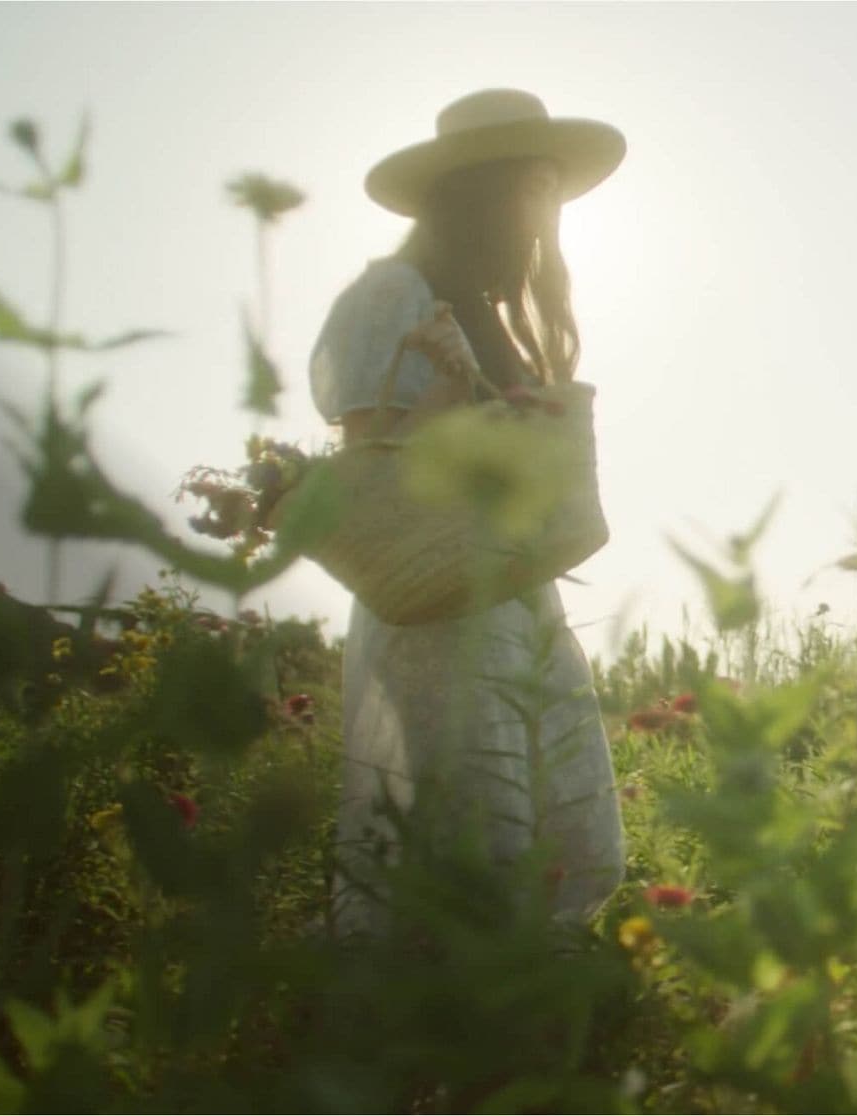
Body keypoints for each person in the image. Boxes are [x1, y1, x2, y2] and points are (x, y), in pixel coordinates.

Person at [308, 89, 627, 935]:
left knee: (568, 830)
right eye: (536, 185)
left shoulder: (484, 312)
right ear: (483, 191)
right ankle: (441, 1041)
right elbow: (374, 469)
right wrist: (450, 389)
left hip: (511, 590)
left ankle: (529, 1017)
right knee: (470, 835)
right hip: (438, 595)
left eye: (553, 187)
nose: (547, 209)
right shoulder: (392, 296)